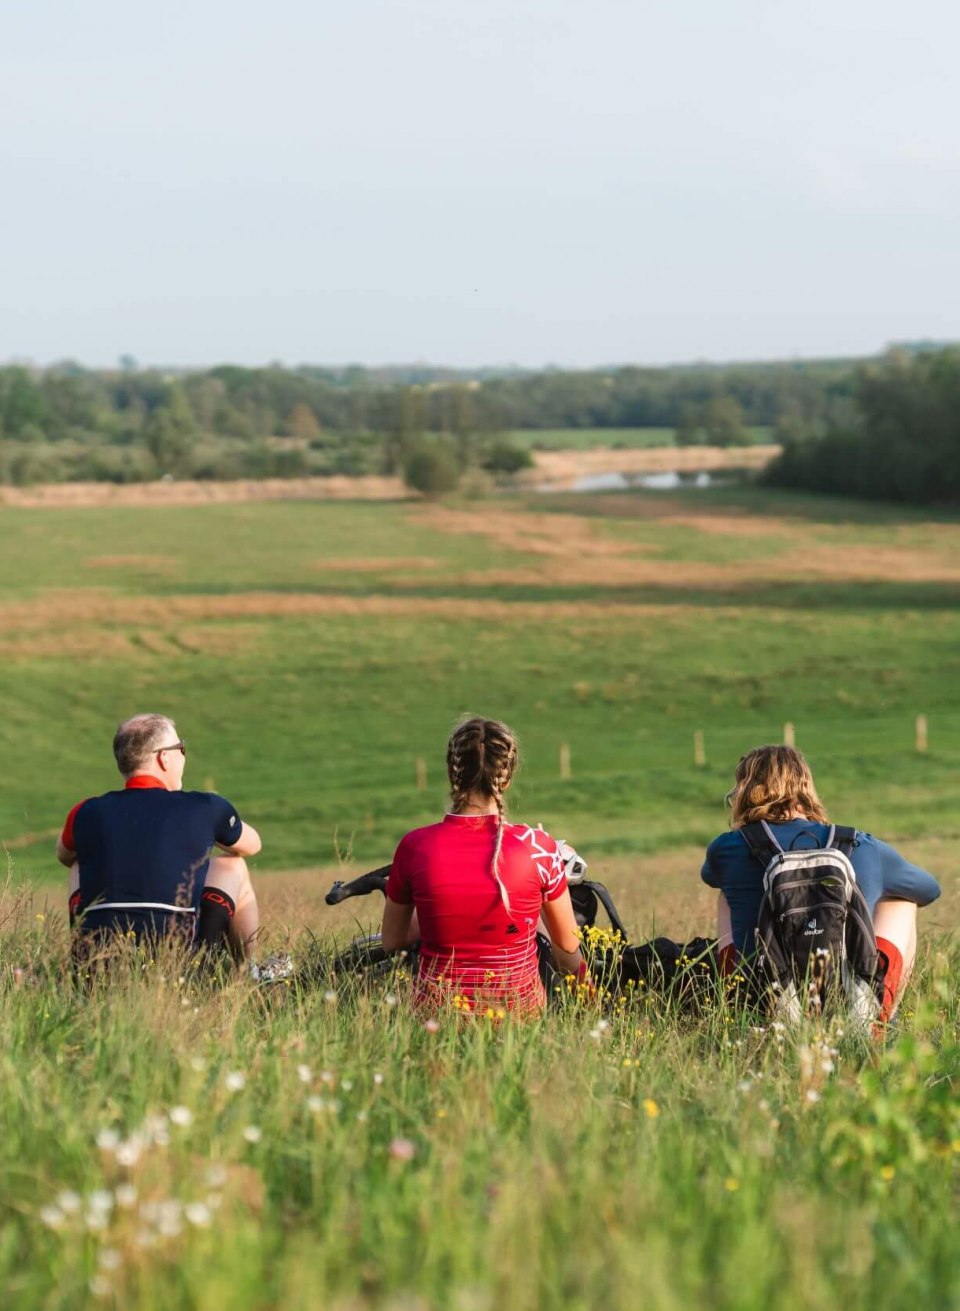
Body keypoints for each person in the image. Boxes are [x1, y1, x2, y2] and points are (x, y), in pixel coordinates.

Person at [701, 744, 941, 1021]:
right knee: (902, 901)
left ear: (744, 792)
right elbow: (930, 889)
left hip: (767, 1000)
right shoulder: (859, 845)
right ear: (806, 789)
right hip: (841, 999)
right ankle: (873, 1019)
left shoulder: (727, 848)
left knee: (726, 895)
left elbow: (709, 876)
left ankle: (740, 1006)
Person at [380, 716, 587, 1013]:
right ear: (507, 775)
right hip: (521, 1021)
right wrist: (594, 1008)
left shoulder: (415, 847)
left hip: (436, 1018)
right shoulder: (539, 847)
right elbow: (568, 951)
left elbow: (392, 941)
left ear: (453, 774)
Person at [57, 713, 262, 959]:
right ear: (164, 757)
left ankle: (79, 959)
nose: (183, 755)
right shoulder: (205, 807)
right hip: (177, 965)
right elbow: (252, 845)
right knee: (233, 865)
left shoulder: (85, 811)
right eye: (181, 748)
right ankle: (247, 971)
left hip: (98, 966)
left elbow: (64, 854)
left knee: (79, 863)